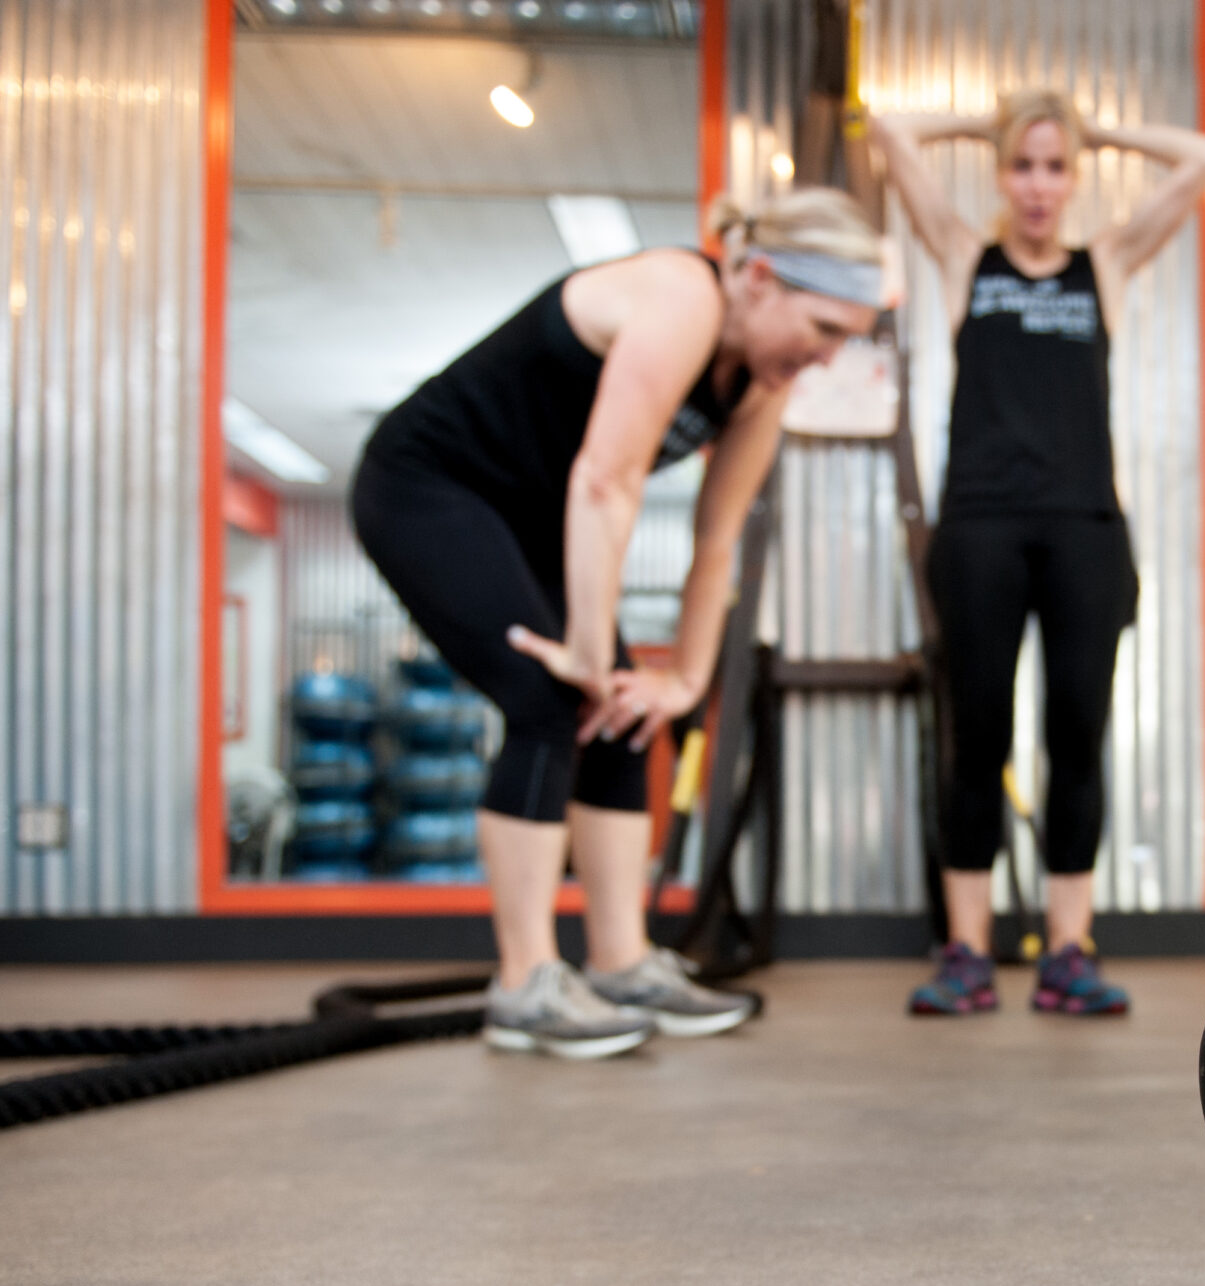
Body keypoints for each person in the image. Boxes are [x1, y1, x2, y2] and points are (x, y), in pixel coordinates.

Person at [352, 190, 884, 1058]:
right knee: (550, 699)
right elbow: (606, 479)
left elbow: (718, 543)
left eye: (845, 339)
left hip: (529, 513)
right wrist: (591, 654)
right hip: (430, 486)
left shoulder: (761, 384)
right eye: (822, 328)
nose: (825, 357)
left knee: (625, 714)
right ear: (758, 278)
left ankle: (620, 961)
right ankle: (524, 983)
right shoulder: (682, 296)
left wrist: (681, 681)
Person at [870, 92, 1205, 1017]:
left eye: (1056, 166)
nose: (1038, 185)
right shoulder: (965, 256)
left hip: (1084, 530)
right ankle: (966, 954)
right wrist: (992, 120)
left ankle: (1069, 953)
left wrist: (1095, 129)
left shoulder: (1102, 263)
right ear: (999, 173)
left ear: (1075, 177)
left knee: (1077, 738)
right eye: (1022, 165)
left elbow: (1203, 155)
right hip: (980, 526)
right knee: (977, 738)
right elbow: (890, 133)